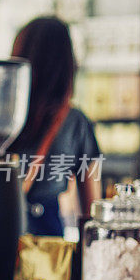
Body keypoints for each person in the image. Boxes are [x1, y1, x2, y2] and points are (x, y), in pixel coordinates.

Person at [8, 17, 102, 236]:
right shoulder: (75, 122)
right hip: (47, 249)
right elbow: (92, 213)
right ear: (67, 63)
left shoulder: (2, 116)